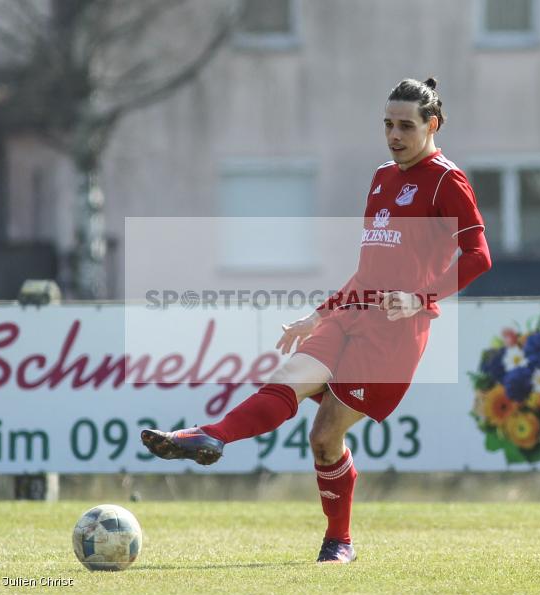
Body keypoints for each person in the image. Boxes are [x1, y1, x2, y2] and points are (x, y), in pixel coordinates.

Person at [141, 77, 492, 563]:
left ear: (431, 125)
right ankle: (209, 435)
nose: (394, 135)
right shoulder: (381, 177)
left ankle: (339, 540)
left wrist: (419, 297)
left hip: (394, 333)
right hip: (352, 311)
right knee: (287, 376)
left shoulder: (446, 180)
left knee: (325, 437)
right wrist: (319, 313)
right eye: (387, 124)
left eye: (406, 126)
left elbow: (478, 257)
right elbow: (371, 266)